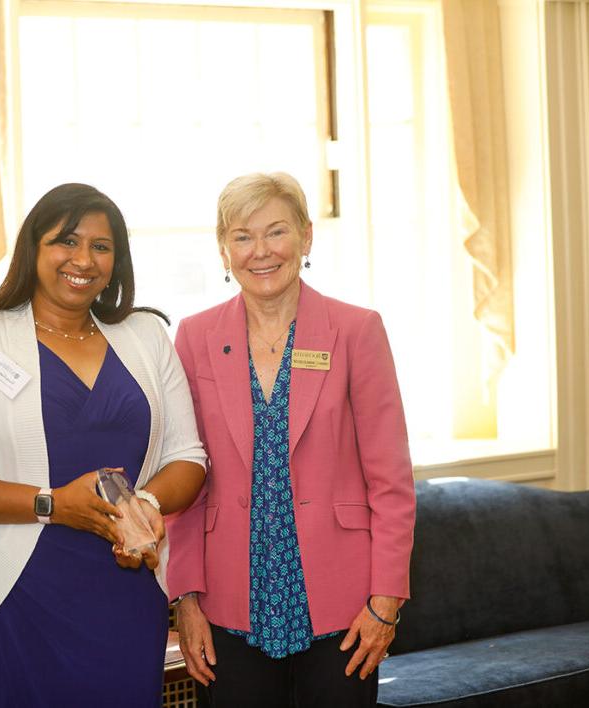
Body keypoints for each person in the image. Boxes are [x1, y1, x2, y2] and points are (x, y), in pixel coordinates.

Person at [0, 183, 206, 706]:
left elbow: (187, 457)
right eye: (67, 241)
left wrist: (142, 507)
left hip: (126, 588)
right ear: (34, 247)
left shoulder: (146, 336)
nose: (83, 259)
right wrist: (52, 505)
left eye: (101, 247)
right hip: (18, 593)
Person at [167, 172, 416, 707]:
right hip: (229, 601)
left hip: (344, 604)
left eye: (275, 232)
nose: (260, 251)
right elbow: (185, 478)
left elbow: (391, 482)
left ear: (306, 237)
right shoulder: (194, 337)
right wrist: (185, 599)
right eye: (241, 236)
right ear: (223, 248)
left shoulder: (356, 331)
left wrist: (385, 603)